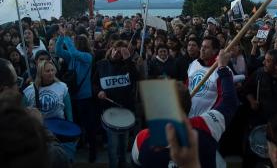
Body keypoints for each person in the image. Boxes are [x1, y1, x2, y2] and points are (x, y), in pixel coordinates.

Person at [131, 49, 239, 168]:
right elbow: (230, 102)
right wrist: (222, 67)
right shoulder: (206, 126)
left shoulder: (142, 138)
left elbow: (136, 164)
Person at [0, 58, 69, 168]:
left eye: (52, 70)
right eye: (16, 82)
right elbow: (58, 158)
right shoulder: (11, 127)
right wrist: (39, 127)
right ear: (5, 89)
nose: (18, 88)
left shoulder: (62, 87)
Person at [93, 40, 140, 168]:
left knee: (124, 140)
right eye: (114, 49)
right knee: (113, 144)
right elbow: (95, 83)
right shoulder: (102, 65)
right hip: (110, 110)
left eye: (120, 52)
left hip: (126, 109)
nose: (115, 53)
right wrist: (99, 91)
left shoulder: (128, 65)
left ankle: (123, 161)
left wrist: (128, 59)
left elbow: (136, 77)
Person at [55, 25, 97, 163]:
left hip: (85, 99)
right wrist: (61, 36)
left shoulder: (87, 57)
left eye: (74, 42)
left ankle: (93, 150)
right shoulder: (73, 57)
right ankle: (79, 144)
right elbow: (58, 50)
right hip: (73, 97)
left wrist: (67, 37)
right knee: (76, 124)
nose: (72, 44)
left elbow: (73, 53)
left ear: (78, 44)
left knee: (89, 126)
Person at [187, 35, 224, 117]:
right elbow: (188, 85)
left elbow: (223, 98)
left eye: (206, 47)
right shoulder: (194, 63)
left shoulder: (222, 70)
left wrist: (212, 115)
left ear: (215, 51)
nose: (202, 50)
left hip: (206, 119)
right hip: (189, 116)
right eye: (202, 46)